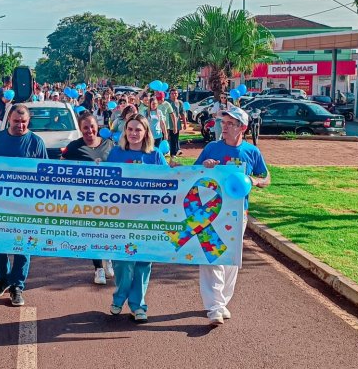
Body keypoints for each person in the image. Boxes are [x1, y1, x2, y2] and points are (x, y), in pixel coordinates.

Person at [172, 106, 270, 326]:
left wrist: (254, 181)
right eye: (222, 123)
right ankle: (214, 305)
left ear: (242, 128)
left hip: (237, 214)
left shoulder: (252, 152)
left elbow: (266, 177)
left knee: (231, 258)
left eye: (230, 124)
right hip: (209, 210)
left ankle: (222, 301)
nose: (223, 128)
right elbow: (194, 175)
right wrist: (206, 167)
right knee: (211, 255)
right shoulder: (212, 148)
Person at [106, 114, 167, 323]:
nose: (133, 133)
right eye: (130, 129)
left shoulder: (155, 156)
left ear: (146, 132)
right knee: (122, 261)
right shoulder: (115, 154)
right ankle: (119, 297)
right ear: (125, 132)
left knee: (143, 262)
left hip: (148, 219)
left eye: (138, 130)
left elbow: (170, 185)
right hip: (121, 217)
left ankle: (138, 305)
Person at [0, 105, 48, 306]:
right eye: (16, 121)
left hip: (27, 206)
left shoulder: (37, 143)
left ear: (28, 121)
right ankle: (3, 278)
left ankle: (17, 286)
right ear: (8, 121)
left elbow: (45, 174)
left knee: (23, 246)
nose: (20, 125)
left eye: (23, 122)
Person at [62, 113, 116, 284]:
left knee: (107, 231)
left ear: (97, 126)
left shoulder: (110, 145)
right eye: (85, 127)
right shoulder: (74, 147)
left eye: (92, 126)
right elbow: (61, 168)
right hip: (85, 200)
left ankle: (108, 258)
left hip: (108, 198)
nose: (89, 130)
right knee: (92, 232)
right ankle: (98, 268)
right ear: (80, 128)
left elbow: (121, 167)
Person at [167, 88, 187, 157]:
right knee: (166, 138)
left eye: (175, 93)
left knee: (175, 139)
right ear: (170, 95)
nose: (174, 95)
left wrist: (184, 123)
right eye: (172, 93)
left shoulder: (180, 103)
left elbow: (182, 113)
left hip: (176, 124)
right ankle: (167, 151)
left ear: (178, 94)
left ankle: (173, 153)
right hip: (167, 123)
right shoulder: (167, 102)